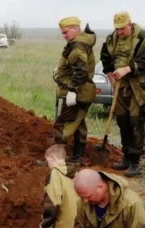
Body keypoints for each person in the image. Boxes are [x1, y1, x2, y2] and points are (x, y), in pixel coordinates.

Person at [100, 11, 145, 177]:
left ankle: (135, 161)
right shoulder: (111, 38)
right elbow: (105, 57)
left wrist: (127, 69)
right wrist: (110, 75)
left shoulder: (143, 36)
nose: (119, 32)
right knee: (123, 121)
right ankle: (126, 157)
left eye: (122, 29)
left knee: (136, 121)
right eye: (117, 29)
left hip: (140, 86)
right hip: (121, 87)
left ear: (130, 24)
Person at [52, 17, 97, 163]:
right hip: (83, 93)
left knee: (64, 124)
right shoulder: (81, 42)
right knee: (78, 125)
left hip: (78, 93)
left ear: (75, 28)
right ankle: (77, 157)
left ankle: (54, 158)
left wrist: (73, 91)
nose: (64, 36)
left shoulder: (77, 45)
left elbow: (81, 72)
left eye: (65, 32)